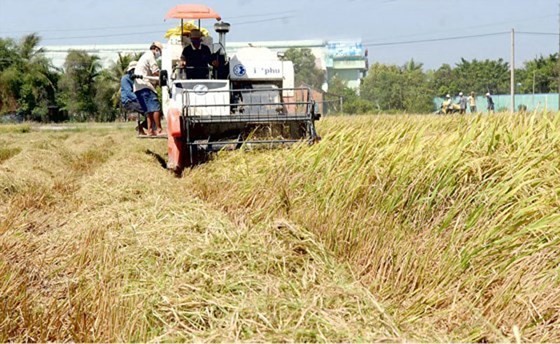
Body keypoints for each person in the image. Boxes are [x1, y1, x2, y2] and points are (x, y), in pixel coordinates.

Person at [134, 41, 163, 136]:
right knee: (156, 108)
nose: (159, 54)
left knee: (149, 110)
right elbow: (155, 72)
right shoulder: (150, 56)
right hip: (145, 85)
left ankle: (150, 130)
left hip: (138, 87)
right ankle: (159, 129)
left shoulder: (144, 56)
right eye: (160, 52)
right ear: (156, 49)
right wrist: (163, 78)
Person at [120, 61, 147, 135]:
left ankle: (141, 126)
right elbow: (129, 93)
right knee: (147, 111)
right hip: (128, 101)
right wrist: (140, 100)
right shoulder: (125, 79)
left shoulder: (136, 78)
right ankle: (143, 127)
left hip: (136, 99)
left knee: (152, 111)